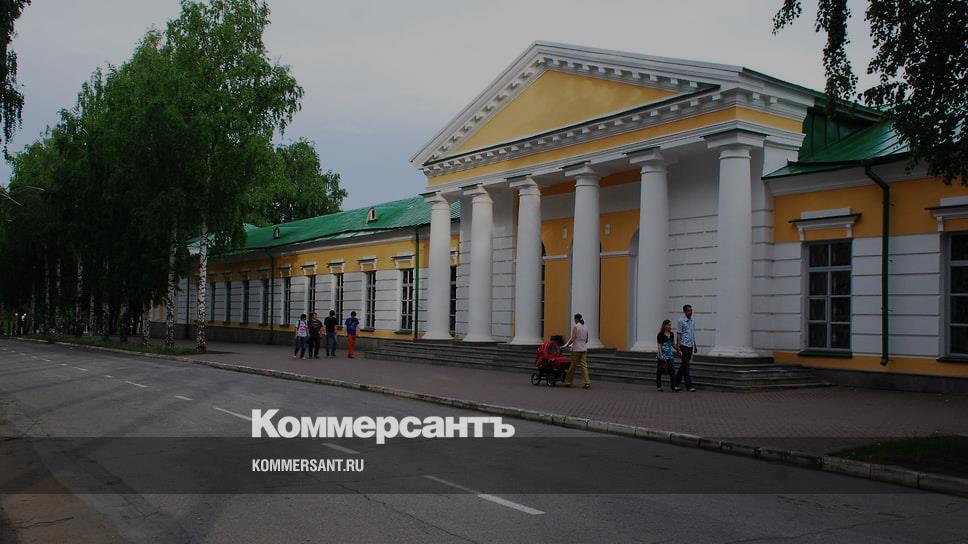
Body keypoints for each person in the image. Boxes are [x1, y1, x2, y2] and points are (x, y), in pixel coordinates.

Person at [563, 313, 591, 389]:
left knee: (572, 366)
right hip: (584, 349)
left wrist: (567, 345)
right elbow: (587, 340)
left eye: (574, 319)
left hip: (576, 349)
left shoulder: (575, 327)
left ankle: (568, 381)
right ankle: (587, 382)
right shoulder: (585, 327)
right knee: (584, 366)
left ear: (576, 319)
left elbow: (573, 338)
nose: (574, 321)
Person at [675, 304, 697, 392]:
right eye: (688, 310)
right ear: (684, 311)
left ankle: (676, 383)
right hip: (683, 345)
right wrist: (678, 347)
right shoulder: (680, 321)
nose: (690, 312)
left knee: (683, 365)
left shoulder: (692, 321)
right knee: (686, 366)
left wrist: (695, 345)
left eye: (691, 310)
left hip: (690, 346)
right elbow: (679, 334)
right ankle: (689, 386)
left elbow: (692, 334)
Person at [656, 319, 679, 392]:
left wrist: (678, 350)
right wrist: (661, 355)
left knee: (672, 370)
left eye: (670, 325)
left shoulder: (671, 334)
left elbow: (672, 344)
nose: (670, 326)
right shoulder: (660, 334)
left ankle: (673, 386)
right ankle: (659, 386)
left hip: (669, 354)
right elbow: (659, 345)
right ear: (665, 326)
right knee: (659, 370)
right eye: (668, 325)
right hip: (662, 354)